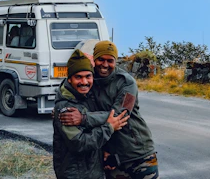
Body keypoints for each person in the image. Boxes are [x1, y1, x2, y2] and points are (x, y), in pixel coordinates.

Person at [59, 41, 159, 179]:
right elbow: (70, 91)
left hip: (139, 154)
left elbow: (120, 115)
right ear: (94, 59)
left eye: (110, 61)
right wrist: (60, 109)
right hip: (111, 157)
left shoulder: (127, 83)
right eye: (101, 59)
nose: (105, 65)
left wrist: (83, 118)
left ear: (115, 61)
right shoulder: (88, 79)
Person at [53, 49, 130, 179]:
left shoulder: (87, 97)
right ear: (70, 79)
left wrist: (104, 153)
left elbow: (93, 128)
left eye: (88, 76)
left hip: (93, 171)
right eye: (78, 77)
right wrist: (109, 127)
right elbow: (80, 143)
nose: (84, 82)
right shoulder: (65, 108)